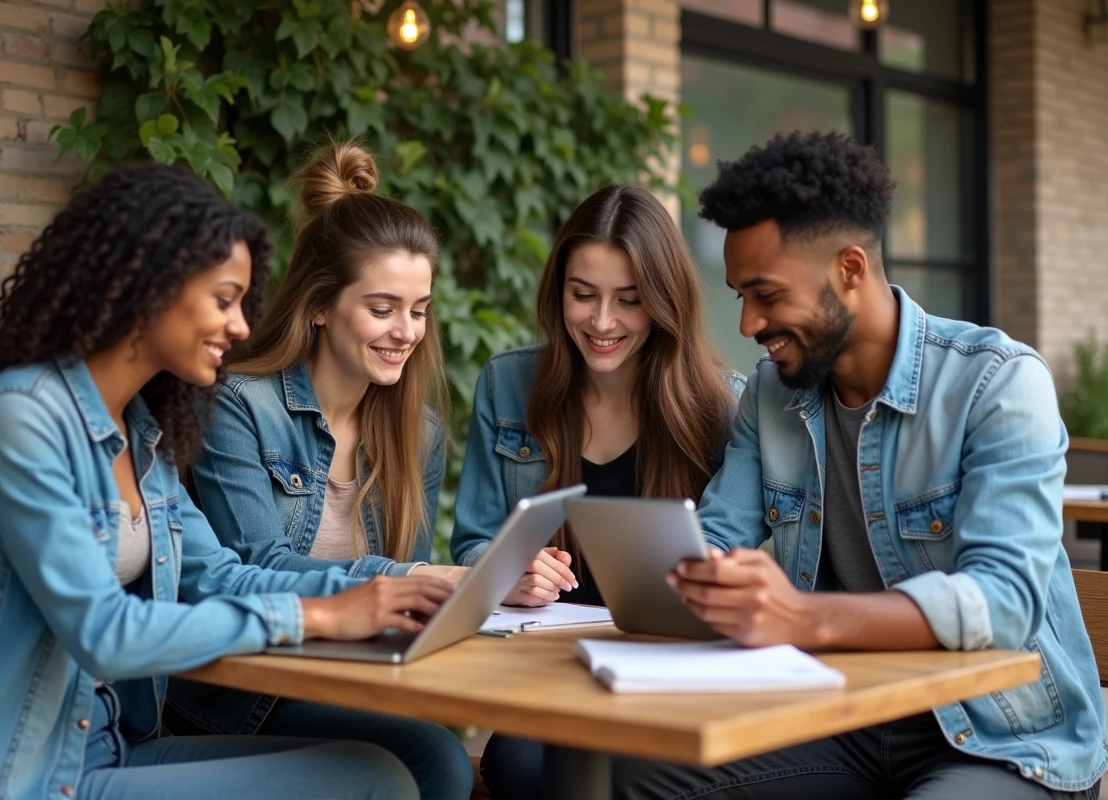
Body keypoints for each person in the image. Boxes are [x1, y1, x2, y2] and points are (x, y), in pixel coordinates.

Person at [0, 164, 457, 800]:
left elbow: (221, 576)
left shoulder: (144, 435)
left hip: (116, 750)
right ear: (150, 289)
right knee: (381, 784)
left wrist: (384, 586)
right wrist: (320, 615)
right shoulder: (21, 418)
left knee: (390, 770)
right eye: (223, 299)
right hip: (18, 779)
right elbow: (104, 631)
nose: (242, 326)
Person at [613, 130, 1106, 799]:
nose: (750, 323)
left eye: (766, 293)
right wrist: (678, 575)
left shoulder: (996, 384)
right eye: (740, 297)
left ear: (850, 269)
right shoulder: (772, 393)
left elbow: (1005, 602)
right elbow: (718, 534)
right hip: (837, 715)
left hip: (1000, 740)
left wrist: (803, 619)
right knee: (625, 773)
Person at [162, 141, 473, 800]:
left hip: (354, 680)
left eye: (419, 310)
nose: (407, 331)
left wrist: (493, 584)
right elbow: (255, 569)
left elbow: (402, 612)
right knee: (438, 761)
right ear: (321, 305)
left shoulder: (418, 433)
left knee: (451, 752)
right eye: (383, 308)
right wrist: (403, 577)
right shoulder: (236, 405)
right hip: (241, 692)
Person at [449, 185, 745, 798]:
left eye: (629, 301)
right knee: (522, 769)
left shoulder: (722, 406)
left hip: (670, 674)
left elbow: (737, 551)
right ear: (558, 290)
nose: (602, 322)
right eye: (582, 295)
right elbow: (474, 543)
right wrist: (507, 572)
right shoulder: (508, 384)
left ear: (663, 302)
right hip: (547, 672)